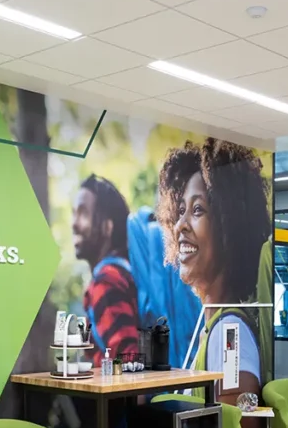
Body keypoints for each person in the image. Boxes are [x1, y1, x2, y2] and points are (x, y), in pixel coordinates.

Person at [156, 138, 272, 392]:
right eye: (180, 210)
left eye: (198, 210)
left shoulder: (228, 332)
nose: (180, 225)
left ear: (228, 226)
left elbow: (241, 426)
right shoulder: (215, 327)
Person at [72, 174, 139, 367]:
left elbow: (128, 364)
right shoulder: (124, 271)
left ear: (108, 227)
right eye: (74, 213)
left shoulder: (107, 281)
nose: (74, 224)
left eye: (83, 214)